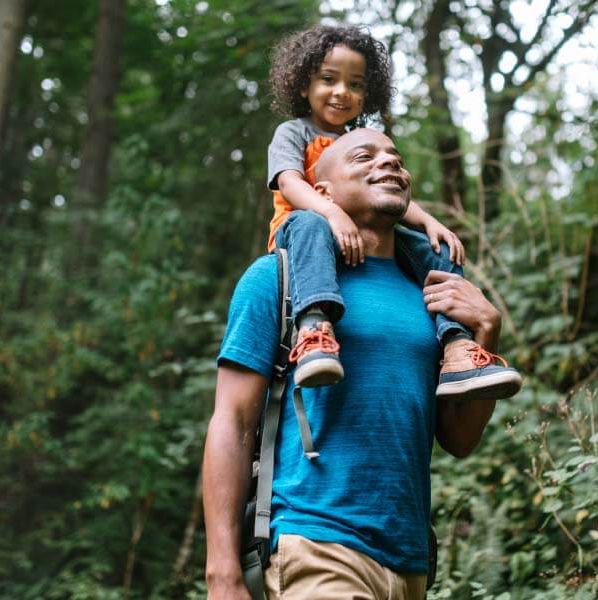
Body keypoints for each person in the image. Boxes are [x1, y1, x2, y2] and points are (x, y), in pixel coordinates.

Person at [204, 129, 515, 599]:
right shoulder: (276, 277)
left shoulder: (433, 293)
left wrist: (486, 333)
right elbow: (232, 419)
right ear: (322, 191)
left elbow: (459, 439)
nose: (389, 162)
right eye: (364, 156)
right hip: (315, 543)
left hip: (410, 563)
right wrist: (222, 573)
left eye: (396, 156)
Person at [266, 24, 521, 400]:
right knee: (308, 223)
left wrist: (430, 222)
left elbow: (388, 195)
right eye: (328, 80)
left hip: (362, 236)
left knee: (436, 250)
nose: (342, 92)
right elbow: (289, 183)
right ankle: (315, 329)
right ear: (303, 85)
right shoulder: (294, 133)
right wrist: (331, 212)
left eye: (355, 85)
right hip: (305, 236)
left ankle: (457, 347)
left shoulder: (361, 138)